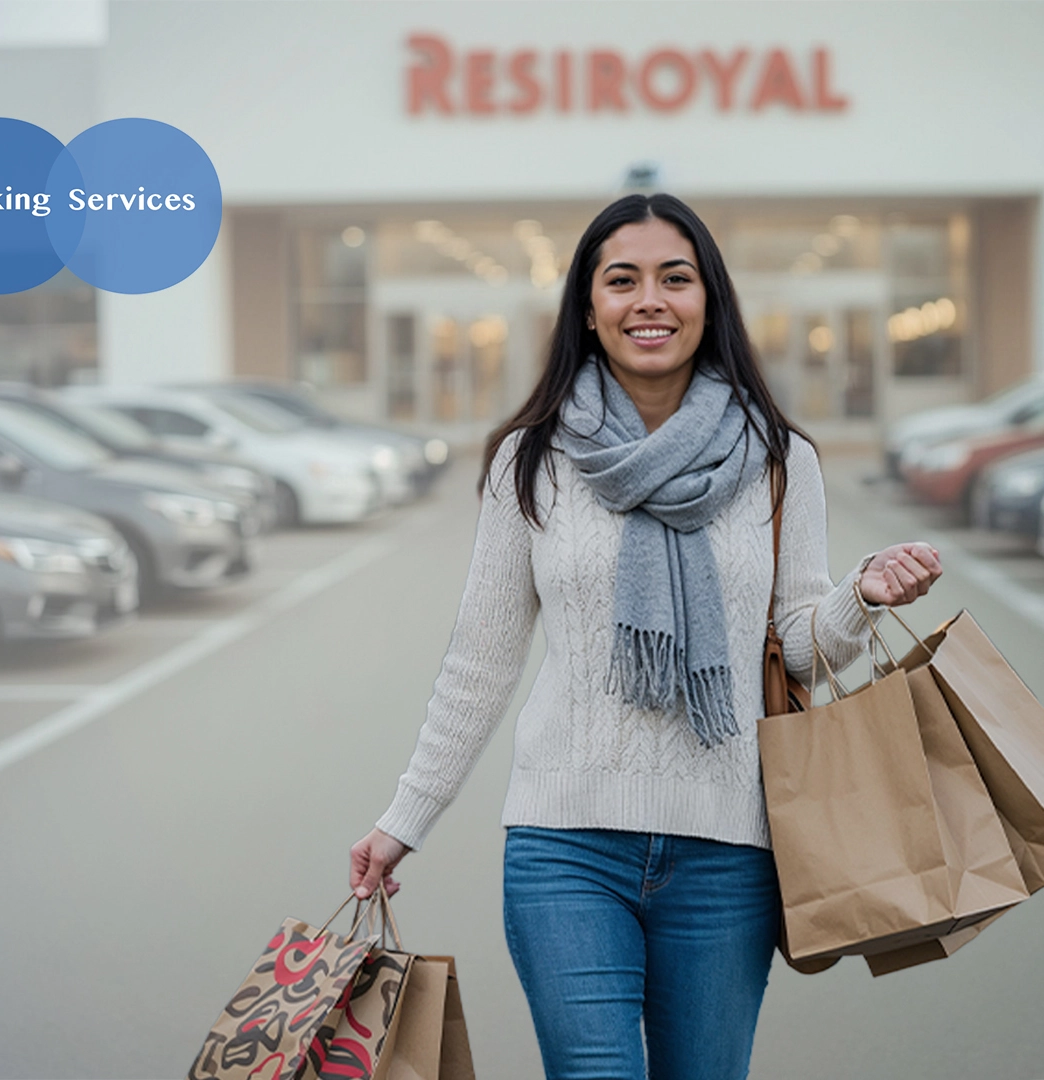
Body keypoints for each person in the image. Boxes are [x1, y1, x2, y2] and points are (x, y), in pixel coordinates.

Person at [349, 193, 942, 1080]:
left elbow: (796, 647)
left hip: (728, 850)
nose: (650, 300)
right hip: (565, 847)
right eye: (622, 280)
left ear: (710, 301)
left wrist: (861, 598)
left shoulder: (781, 459)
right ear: (589, 309)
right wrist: (405, 819)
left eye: (675, 278)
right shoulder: (533, 458)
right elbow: (481, 660)